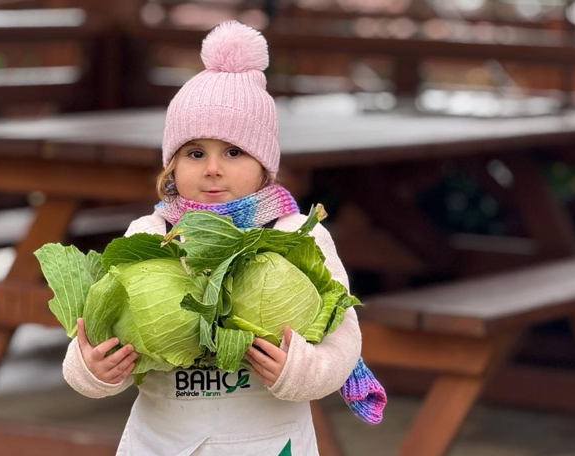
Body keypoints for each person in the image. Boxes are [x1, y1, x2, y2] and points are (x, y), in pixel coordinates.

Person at [62, 21, 384, 456]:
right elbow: (94, 331)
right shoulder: (148, 235)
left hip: (270, 441)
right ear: (171, 167)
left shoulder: (297, 235)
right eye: (195, 153)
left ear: (264, 165)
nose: (213, 168)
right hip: (163, 442)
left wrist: (299, 371)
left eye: (233, 152)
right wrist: (93, 370)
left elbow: (343, 338)